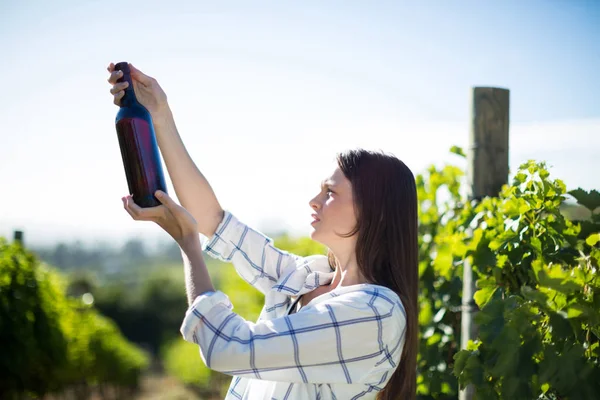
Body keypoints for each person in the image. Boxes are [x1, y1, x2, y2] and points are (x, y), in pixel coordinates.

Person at [107, 62, 418, 400]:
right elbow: (213, 221)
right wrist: (159, 114)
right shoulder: (309, 275)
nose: (314, 201)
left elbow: (229, 348)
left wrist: (188, 246)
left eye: (330, 193)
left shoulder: (374, 313)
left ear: (375, 212)